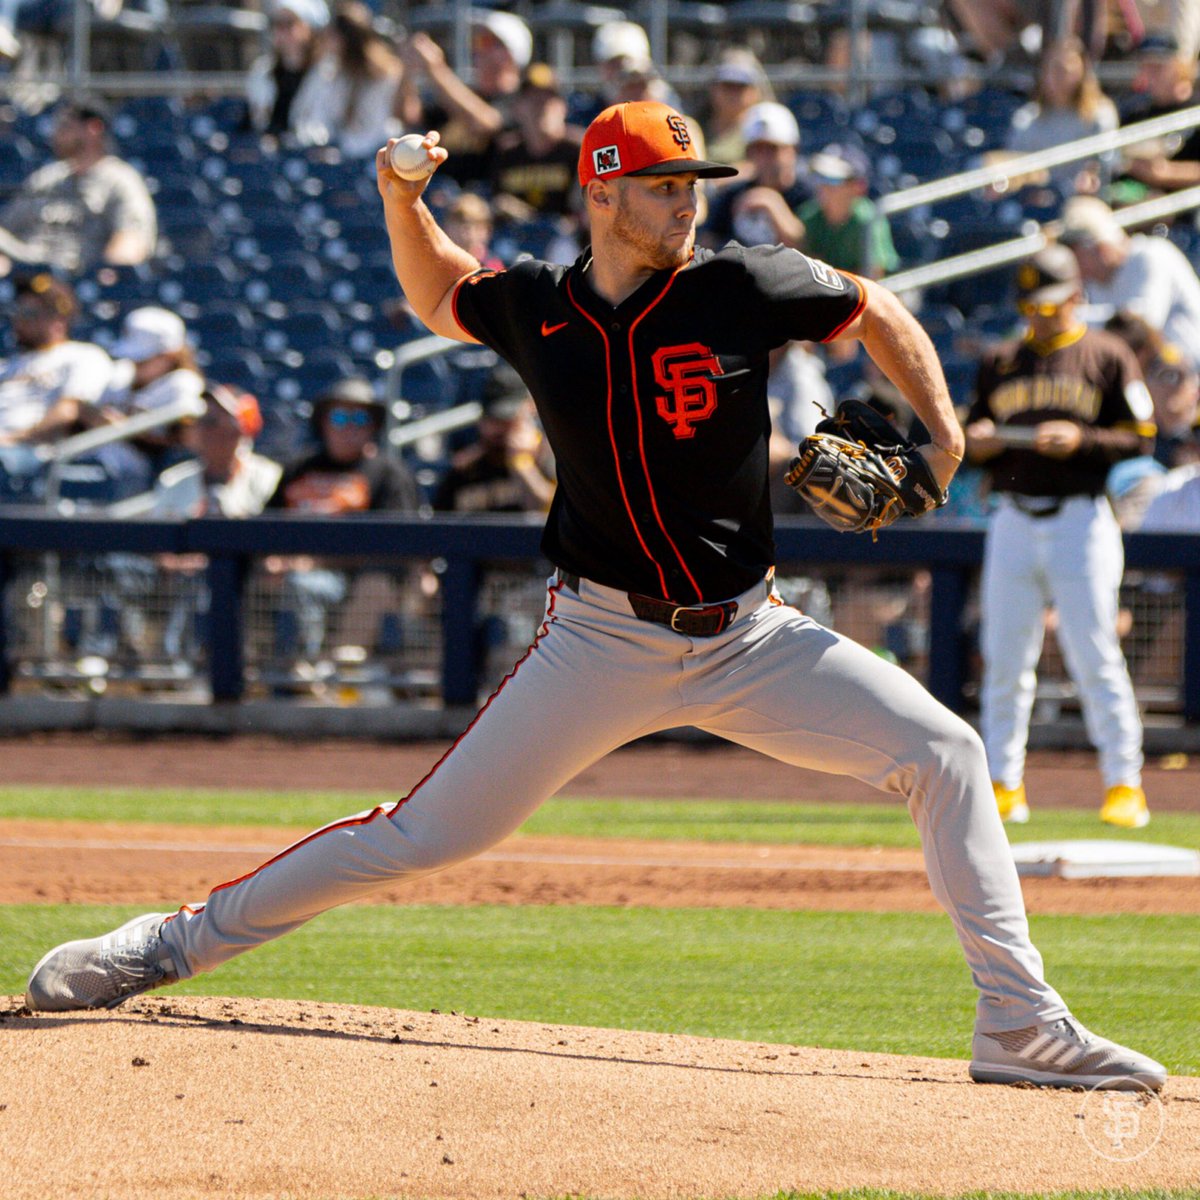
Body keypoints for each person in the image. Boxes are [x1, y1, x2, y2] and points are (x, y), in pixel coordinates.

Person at [22, 101, 1168, 1100]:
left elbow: (874, 309)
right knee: (422, 836)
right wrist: (395, 195)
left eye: (693, 183)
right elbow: (433, 293)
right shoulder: (537, 308)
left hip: (753, 636)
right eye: (666, 186)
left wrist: (947, 430)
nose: (688, 204)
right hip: (598, 637)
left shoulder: (741, 282)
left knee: (950, 753)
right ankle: (167, 946)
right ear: (605, 191)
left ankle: (1018, 1023)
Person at [963, 244, 1156, 830]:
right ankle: (1003, 781)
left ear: (1076, 295)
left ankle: (1125, 783)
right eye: (1030, 306)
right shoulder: (1001, 360)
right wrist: (982, 444)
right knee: (1005, 658)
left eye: (1048, 304)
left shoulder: (1105, 355)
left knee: (1094, 654)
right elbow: (971, 434)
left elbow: (1141, 436)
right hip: (1013, 516)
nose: (1039, 317)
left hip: (1081, 517)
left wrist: (1082, 440)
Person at [0, 96, 157, 277]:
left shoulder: (121, 180)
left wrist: (98, 283)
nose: (56, 133)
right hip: (26, 277)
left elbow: (130, 244)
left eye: (66, 126)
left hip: (77, 279)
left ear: (93, 129)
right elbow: (7, 228)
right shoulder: (47, 177)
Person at [1061, 194, 1200, 371]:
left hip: (1189, 376)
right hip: (1152, 376)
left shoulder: (1152, 254)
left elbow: (1139, 328)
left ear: (1101, 248)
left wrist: (1068, 317)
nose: (1070, 260)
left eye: (1074, 250)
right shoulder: (1092, 282)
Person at [401, 11, 530, 185]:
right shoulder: (460, 96)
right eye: (477, 42)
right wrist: (407, 71)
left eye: (488, 42)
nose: (479, 49)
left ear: (511, 52)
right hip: (442, 193)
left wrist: (436, 69)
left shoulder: (523, 98)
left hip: (485, 198)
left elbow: (485, 123)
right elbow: (408, 116)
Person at [288, 0, 409, 158]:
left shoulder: (385, 73)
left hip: (378, 153)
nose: (328, 42)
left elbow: (378, 127)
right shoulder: (329, 71)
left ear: (346, 39)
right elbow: (309, 117)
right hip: (342, 154)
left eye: (333, 36)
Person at [432, 363, 555, 513]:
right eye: (494, 418)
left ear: (530, 409)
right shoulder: (464, 471)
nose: (499, 427)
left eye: (508, 419)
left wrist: (522, 466)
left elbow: (551, 515)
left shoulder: (552, 460)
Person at [1004, 36, 1118, 194]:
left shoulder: (1099, 114)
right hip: (1034, 200)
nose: (1060, 77)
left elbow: (1105, 164)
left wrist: (1088, 178)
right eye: (1054, 68)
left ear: (1082, 72)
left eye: (1066, 70)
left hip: (1083, 200)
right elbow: (1013, 165)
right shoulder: (1027, 117)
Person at [701, 102, 812, 251]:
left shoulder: (807, 196)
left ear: (793, 150)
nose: (765, 157)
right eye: (758, 149)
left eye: (773, 149)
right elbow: (706, 243)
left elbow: (808, 249)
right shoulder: (732, 195)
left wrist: (772, 204)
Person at [488, 64, 584, 222]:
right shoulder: (506, 151)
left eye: (547, 98)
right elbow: (497, 199)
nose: (539, 106)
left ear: (563, 107)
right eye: (531, 98)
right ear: (517, 108)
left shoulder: (579, 149)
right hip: (517, 237)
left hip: (568, 241)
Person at [798, 143, 899, 280]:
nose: (824, 186)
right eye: (820, 177)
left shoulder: (867, 219)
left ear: (858, 186)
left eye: (833, 179)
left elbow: (874, 276)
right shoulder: (809, 215)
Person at [243, 0, 330, 140]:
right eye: (276, 23)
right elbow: (255, 121)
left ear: (310, 28)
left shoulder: (329, 74)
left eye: (289, 23)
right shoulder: (262, 71)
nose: (280, 30)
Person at [701, 47, 773, 166]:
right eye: (727, 86)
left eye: (741, 87)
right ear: (714, 89)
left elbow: (761, 169)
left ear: (755, 91)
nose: (733, 94)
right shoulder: (696, 127)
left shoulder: (763, 129)